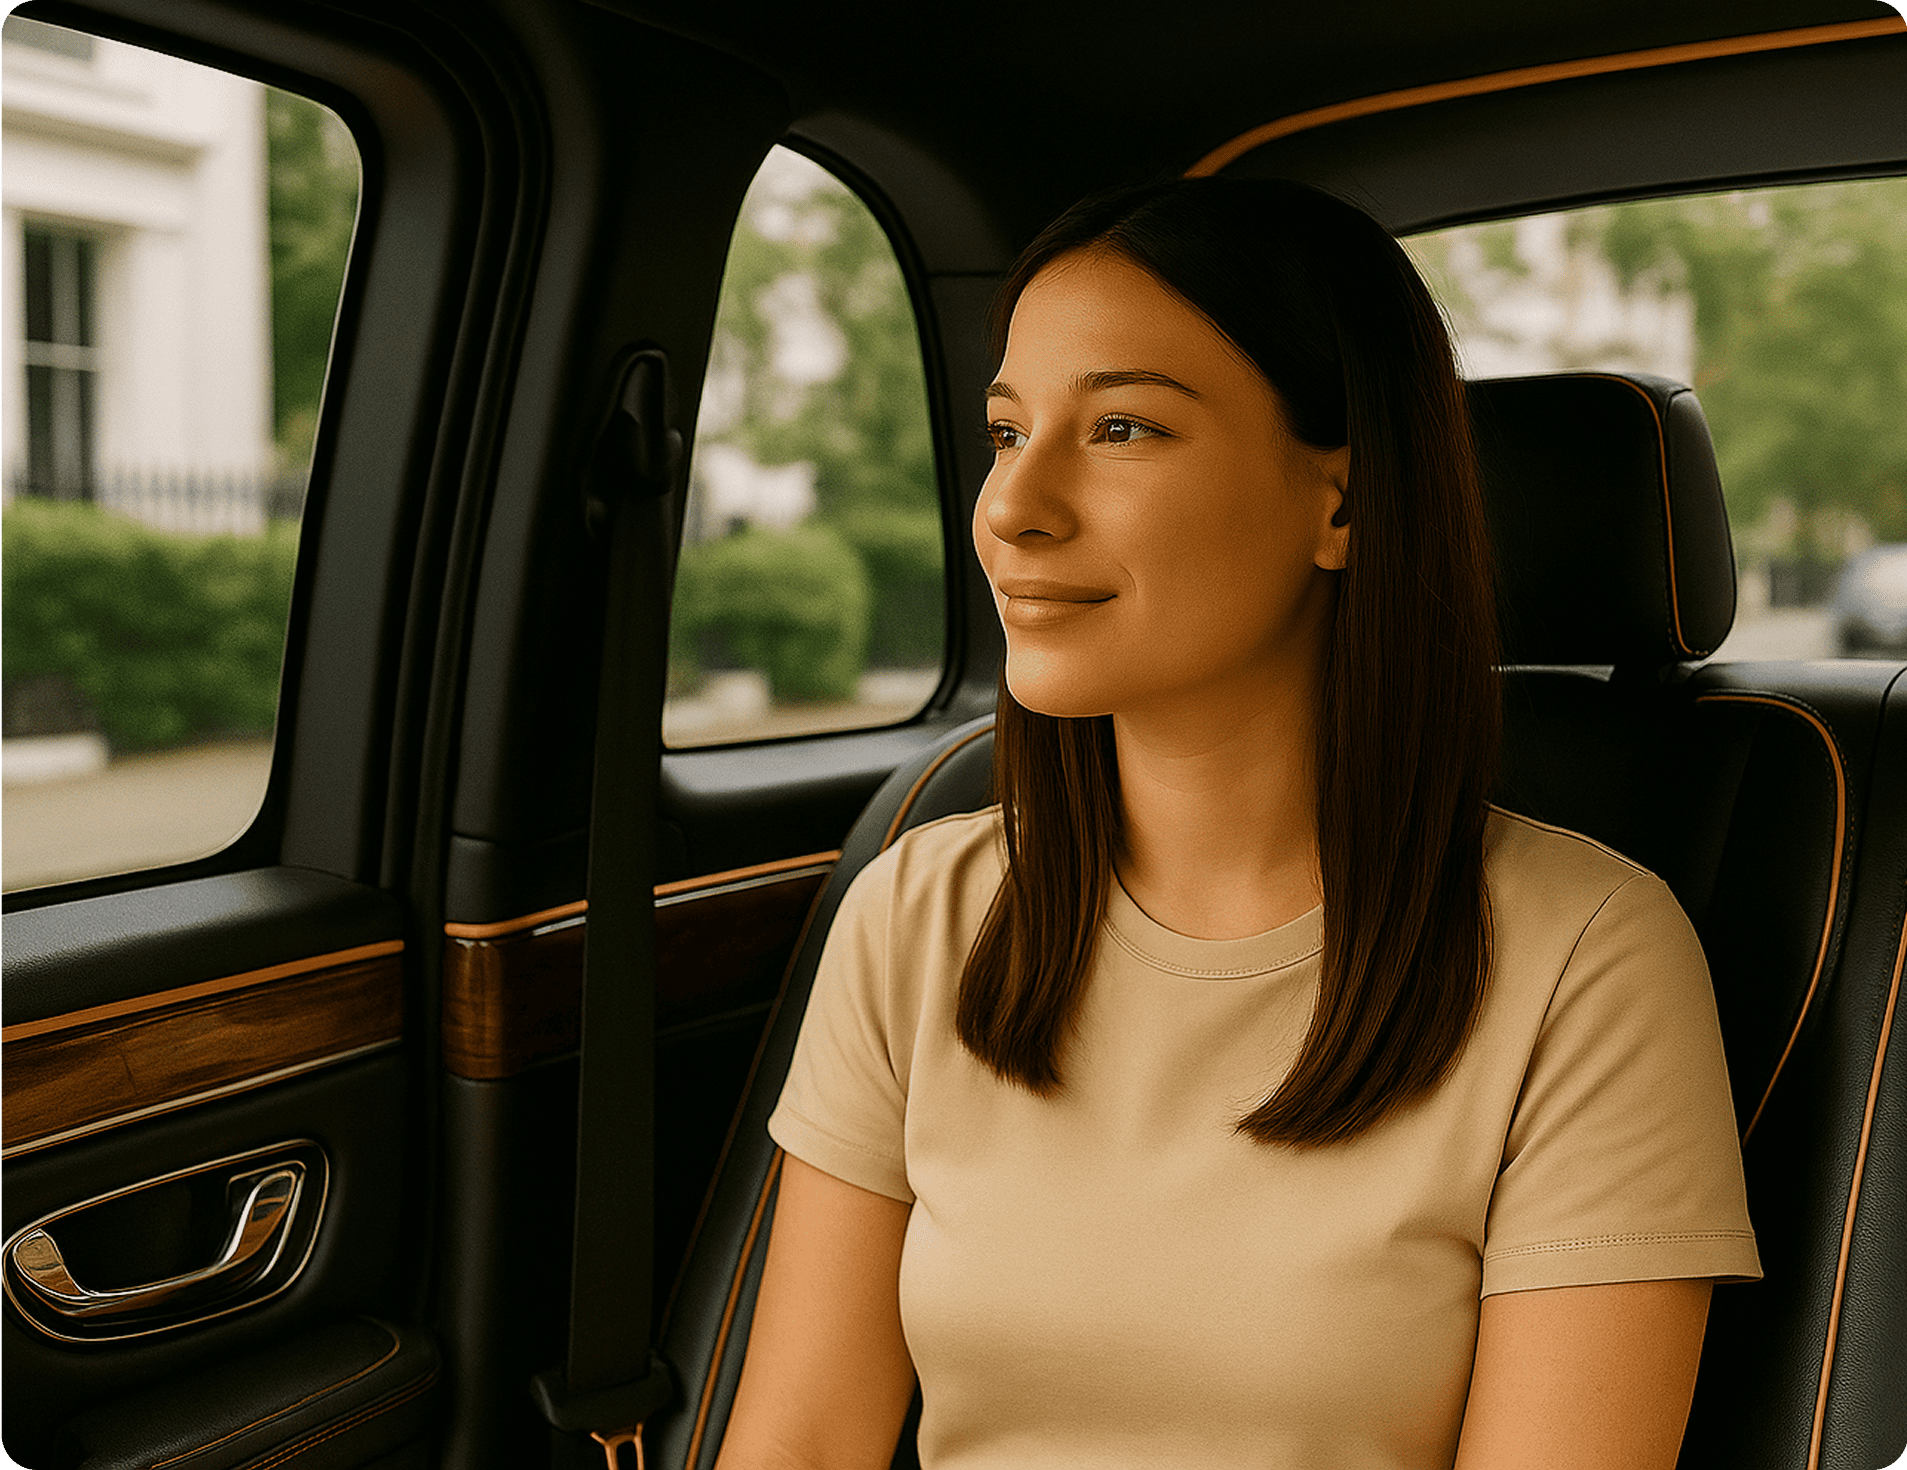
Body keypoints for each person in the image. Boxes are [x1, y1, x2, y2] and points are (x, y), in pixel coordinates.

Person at [714, 177, 1760, 1470]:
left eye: (1121, 429)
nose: (1012, 506)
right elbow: (799, 1444)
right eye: (1004, 431)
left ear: (1341, 503)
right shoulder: (914, 911)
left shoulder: (1584, 958)